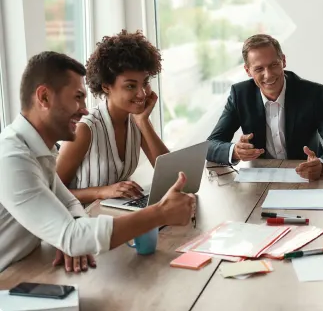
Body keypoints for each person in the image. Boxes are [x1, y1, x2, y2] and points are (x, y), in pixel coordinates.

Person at [0, 51, 195, 273]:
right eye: (77, 97)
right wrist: (159, 213)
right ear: (44, 97)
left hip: (24, 266)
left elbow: (68, 203)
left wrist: (75, 237)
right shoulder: (11, 158)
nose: (84, 108)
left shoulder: (38, 150)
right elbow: (73, 235)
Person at [206, 34, 323, 180]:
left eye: (274, 65)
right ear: (248, 71)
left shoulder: (313, 94)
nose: (268, 75)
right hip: (260, 179)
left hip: (304, 176)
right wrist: (235, 152)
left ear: (283, 61)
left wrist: (321, 166)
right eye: (259, 69)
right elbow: (210, 145)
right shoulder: (240, 95)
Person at [56, 30, 169, 204]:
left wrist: (144, 122)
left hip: (114, 216)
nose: (142, 94)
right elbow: (53, 194)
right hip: (82, 221)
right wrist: (102, 192)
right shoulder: (85, 129)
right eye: (131, 86)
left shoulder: (137, 120)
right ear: (107, 86)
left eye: (145, 83)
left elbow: (170, 175)